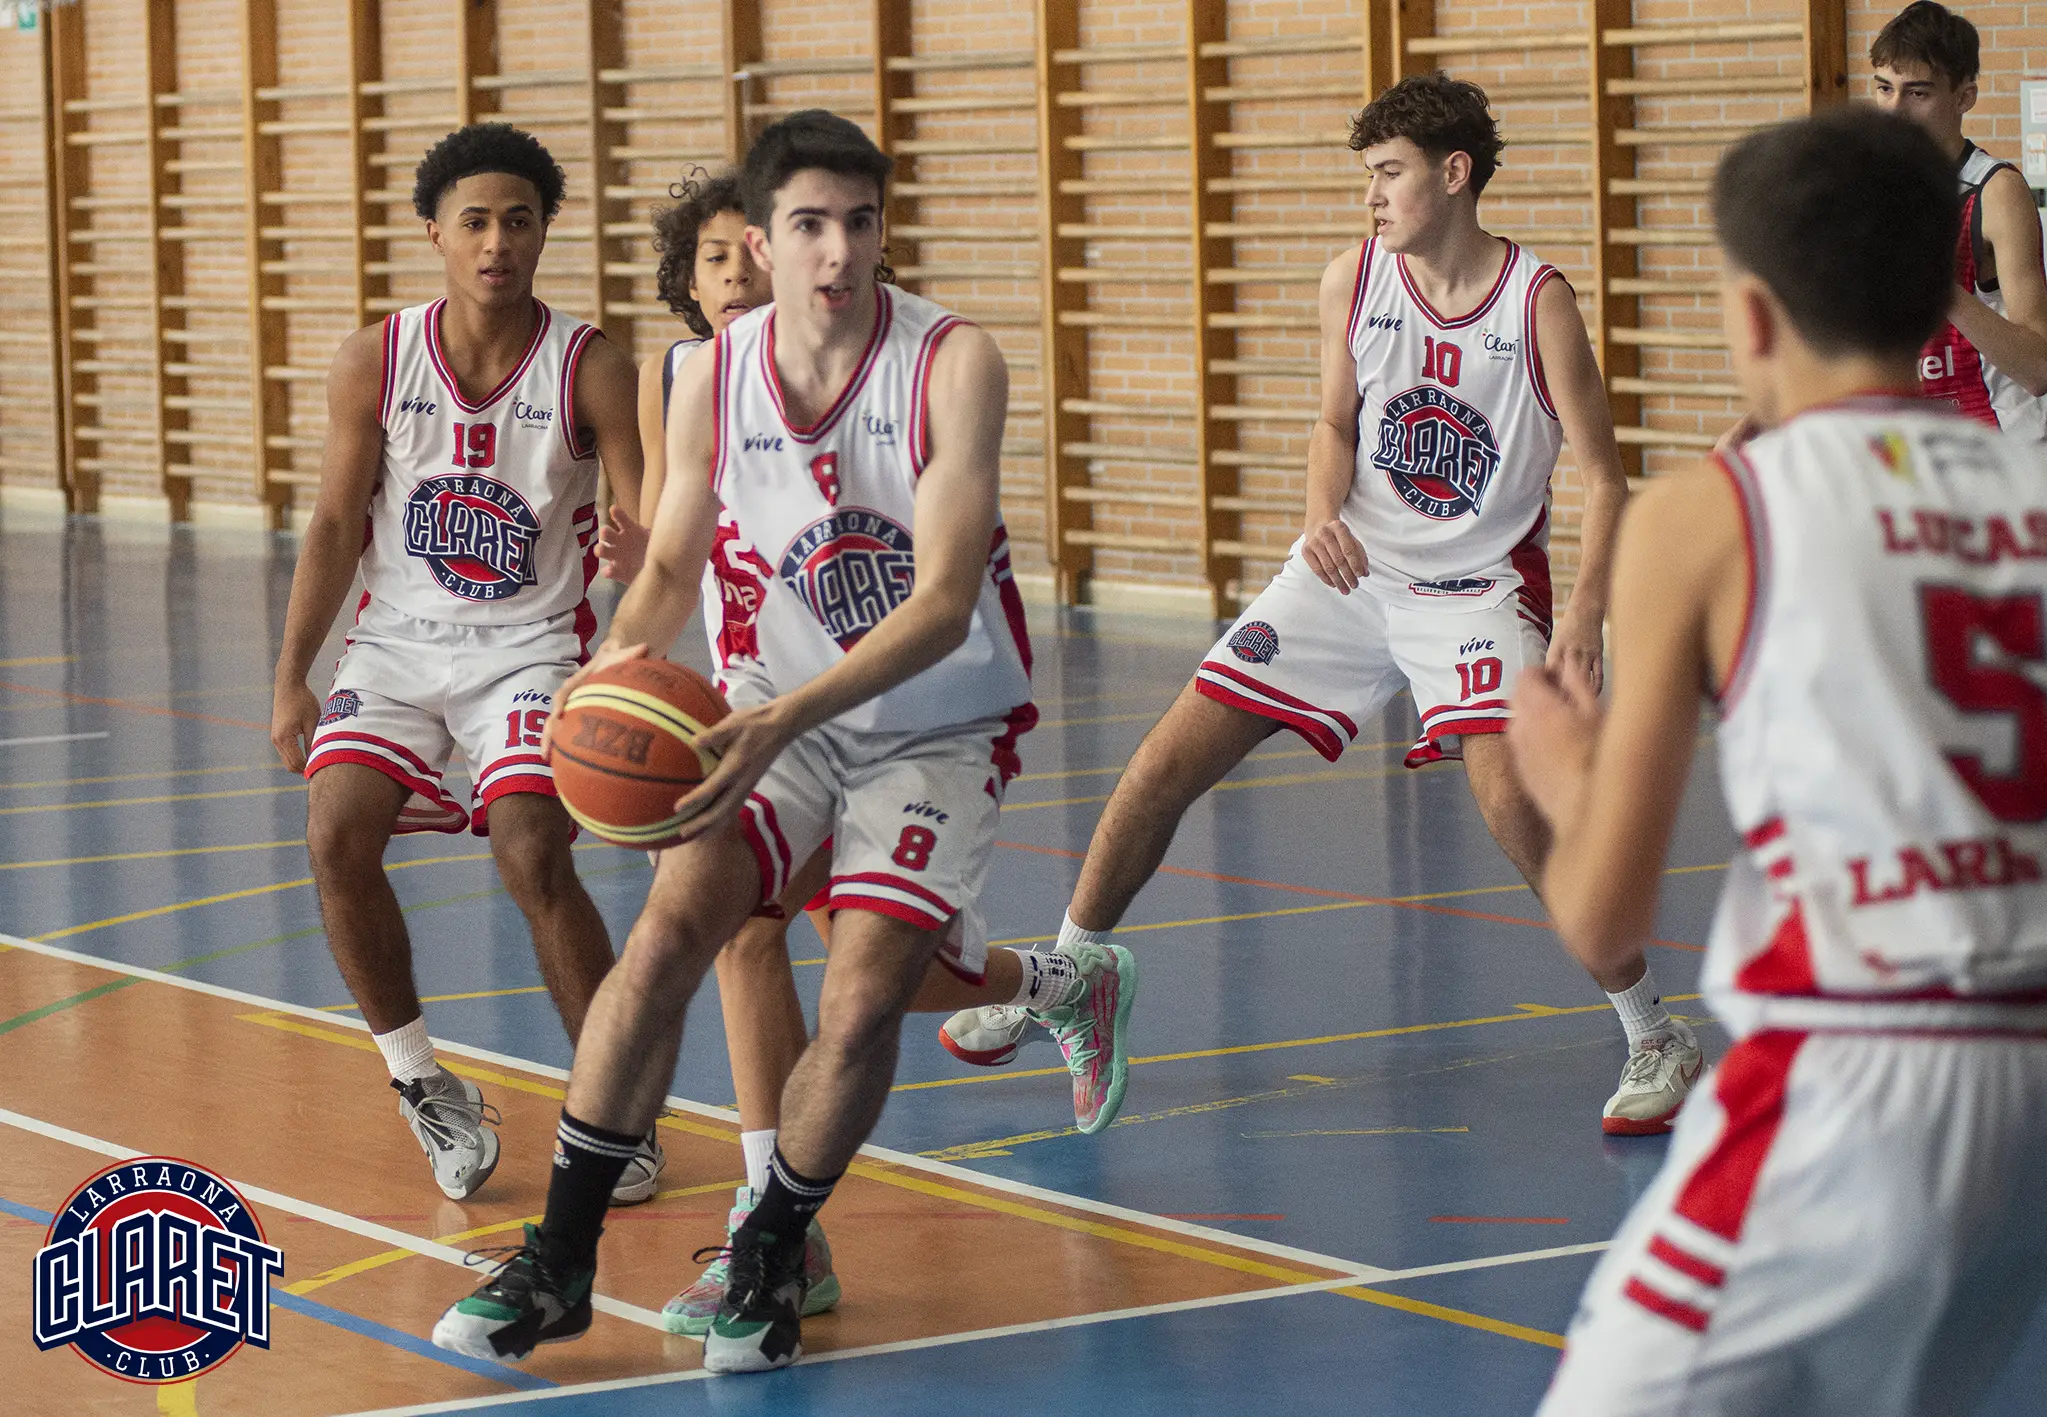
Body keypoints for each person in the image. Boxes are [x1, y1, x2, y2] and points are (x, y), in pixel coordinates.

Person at [432, 110, 1133, 1374]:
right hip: (775, 709)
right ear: (762, 240)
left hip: (933, 725)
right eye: (810, 225)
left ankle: (770, 1249)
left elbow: (942, 602)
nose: (838, 251)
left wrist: (776, 720)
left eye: (860, 223)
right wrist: (610, 668)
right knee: (670, 933)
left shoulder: (952, 363)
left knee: (862, 997)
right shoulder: (713, 373)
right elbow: (670, 565)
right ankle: (562, 1256)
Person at [943, 73, 1698, 1135]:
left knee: (1513, 807)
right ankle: (1072, 977)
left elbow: (1605, 478)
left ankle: (1653, 1030)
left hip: (1474, 589)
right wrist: (1316, 515)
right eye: (1366, 176)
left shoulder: (1536, 303)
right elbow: (1333, 423)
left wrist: (1581, 617)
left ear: (1454, 173)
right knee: (1162, 761)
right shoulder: (1352, 277)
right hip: (1348, 575)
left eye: (1388, 173)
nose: (1371, 197)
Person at [1518, 107, 2047, 1415]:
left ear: (1750, 316)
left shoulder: (1708, 513)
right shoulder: (2028, 496)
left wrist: (1557, 764)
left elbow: (1601, 914)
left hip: (1854, 1073)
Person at [268, 123, 660, 1204]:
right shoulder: (377, 358)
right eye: (475, 221)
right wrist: (292, 672)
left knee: (533, 850)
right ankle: (422, 1083)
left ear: (545, 232)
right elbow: (336, 521)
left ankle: (617, 1110)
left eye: (518, 221)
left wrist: (640, 566)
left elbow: (649, 520)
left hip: (531, 647)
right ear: (434, 233)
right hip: (396, 640)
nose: (497, 242)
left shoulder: (592, 366)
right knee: (335, 833)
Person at [1872, 1, 2047, 438]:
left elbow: (2039, 368)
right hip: (1920, 445)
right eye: (1884, 89)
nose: (1895, 110)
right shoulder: (1867, 188)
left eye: (1917, 93)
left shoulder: (1996, 191)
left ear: (1964, 97)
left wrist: (1936, 286)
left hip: (2002, 449)